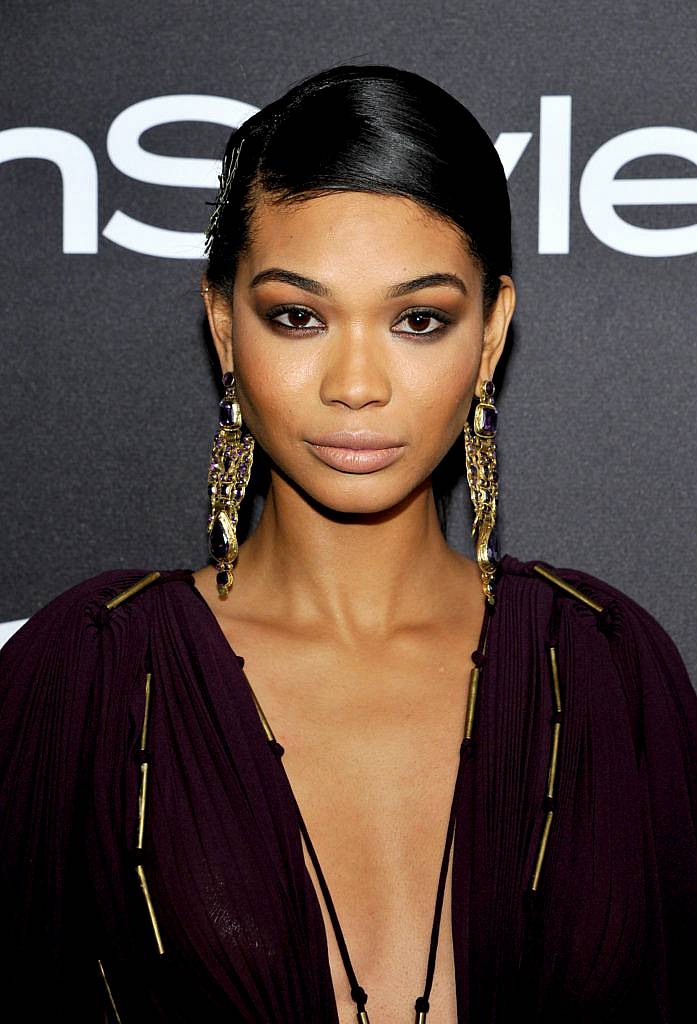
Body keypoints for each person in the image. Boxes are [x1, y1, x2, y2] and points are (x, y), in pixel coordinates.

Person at [1, 64, 695, 1024]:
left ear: (490, 333)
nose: (356, 384)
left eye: (418, 319)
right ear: (223, 325)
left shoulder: (609, 665)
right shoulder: (89, 675)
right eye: (299, 316)